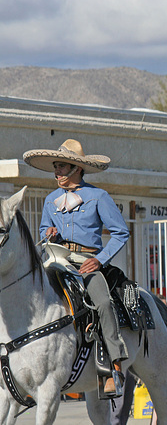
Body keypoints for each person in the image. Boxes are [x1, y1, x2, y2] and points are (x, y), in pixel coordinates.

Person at [23, 138, 129, 396]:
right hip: (56, 261)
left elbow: (120, 232)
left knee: (103, 303)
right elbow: (42, 230)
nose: (57, 171)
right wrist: (49, 233)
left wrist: (100, 259)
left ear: (77, 169)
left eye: (61, 166)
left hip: (87, 264)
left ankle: (114, 366)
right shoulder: (51, 200)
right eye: (56, 167)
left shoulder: (98, 196)